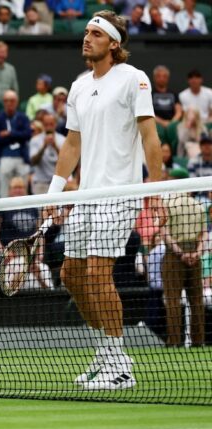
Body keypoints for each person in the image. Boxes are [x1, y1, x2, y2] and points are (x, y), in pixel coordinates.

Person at [48, 11, 164, 391]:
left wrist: (154, 192)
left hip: (120, 194)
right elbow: (72, 143)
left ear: (114, 43)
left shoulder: (135, 80)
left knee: (99, 273)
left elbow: (150, 140)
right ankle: (108, 353)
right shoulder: (79, 86)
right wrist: (54, 191)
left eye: (96, 34)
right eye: (86, 33)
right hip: (87, 197)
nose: (87, 39)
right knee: (71, 275)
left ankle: (120, 366)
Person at [161, 172, 206, 347]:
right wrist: (196, 253)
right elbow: (203, 235)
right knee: (196, 300)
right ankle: (198, 341)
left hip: (174, 256)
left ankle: (174, 341)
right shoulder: (199, 205)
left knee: (172, 300)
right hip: (195, 254)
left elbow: (165, 234)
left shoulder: (168, 205)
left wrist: (180, 253)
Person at [28, 112, 64, 194]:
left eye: (51, 124)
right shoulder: (35, 140)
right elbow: (33, 161)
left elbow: (66, 162)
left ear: (55, 124)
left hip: (57, 183)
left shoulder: (62, 140)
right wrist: (44, 146)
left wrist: (55, 146)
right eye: (46, 124)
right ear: (43, 125)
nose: (48, 127)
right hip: (40, 183)